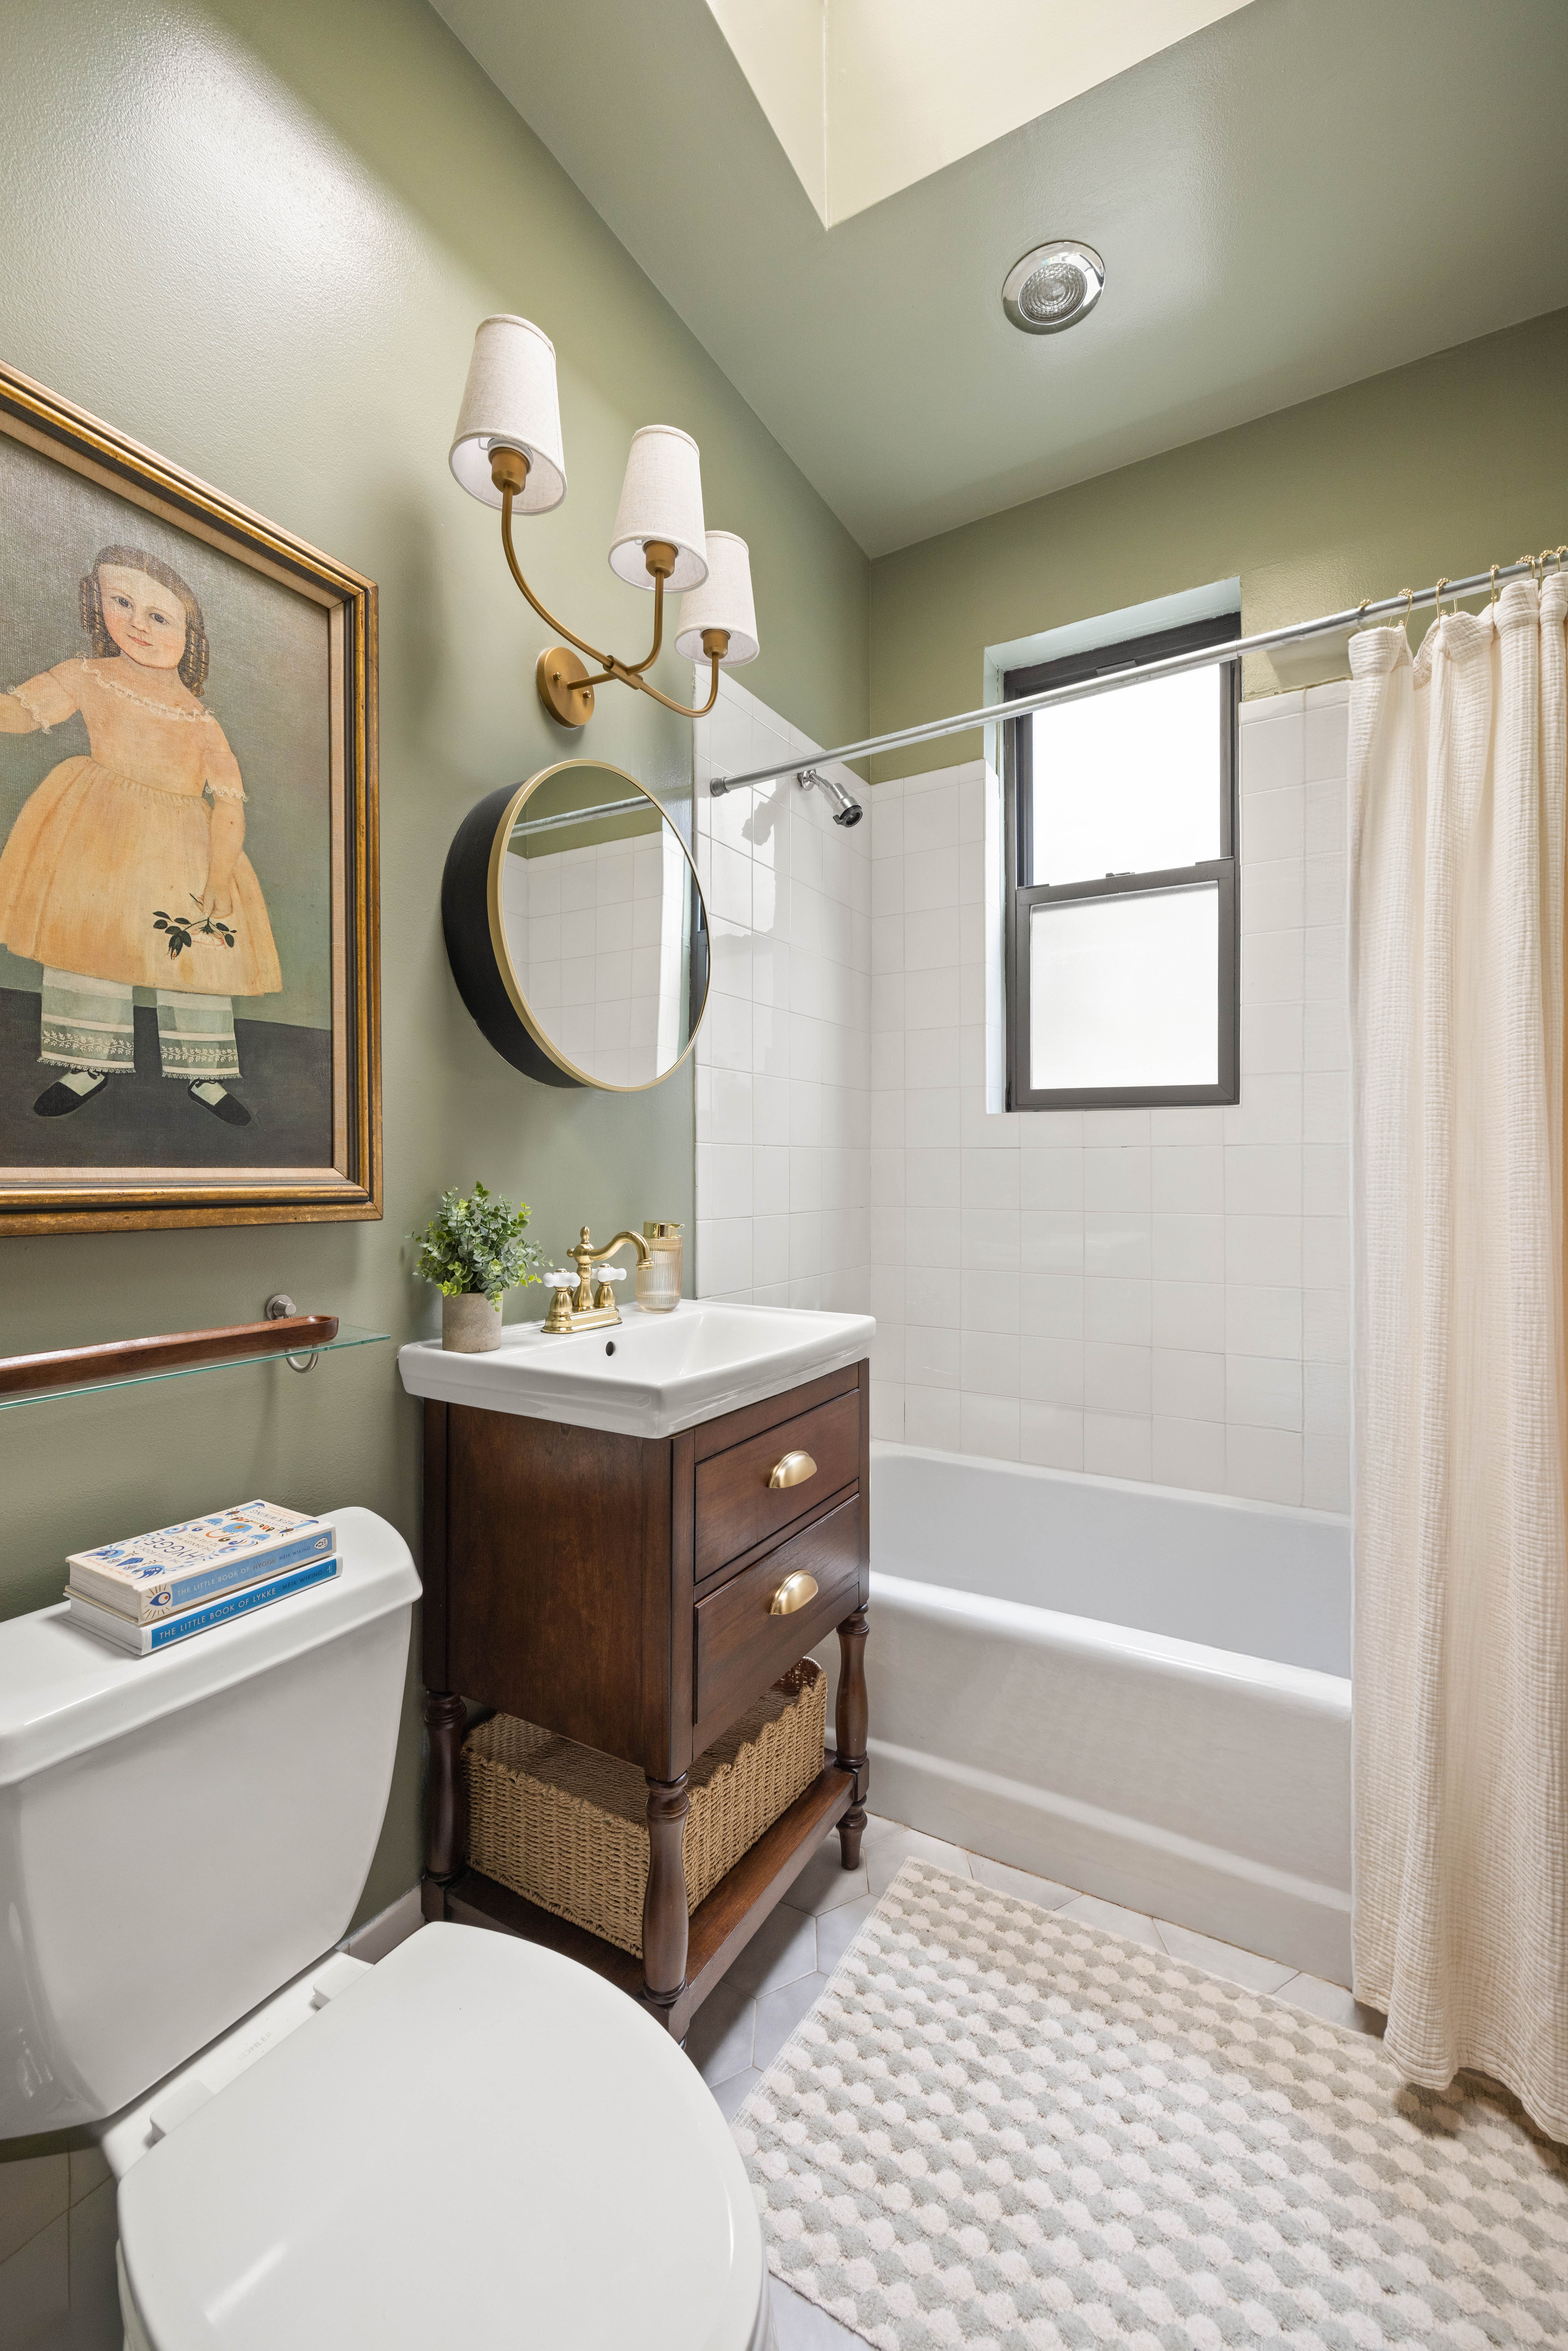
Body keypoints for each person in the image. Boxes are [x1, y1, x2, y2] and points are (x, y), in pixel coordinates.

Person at [0, 543, 280, 1123]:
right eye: (121, 602)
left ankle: (203, 1072)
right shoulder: (87, 676)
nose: (136, 623)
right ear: (96, 602)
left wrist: (222, 871)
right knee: (89, 933)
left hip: (183, 842)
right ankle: (87, 1062)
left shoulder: (200, 721)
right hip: (95, 828)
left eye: (159, 616)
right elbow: (24, 714)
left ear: (190, 633)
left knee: (197, 951)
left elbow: (228, 803)